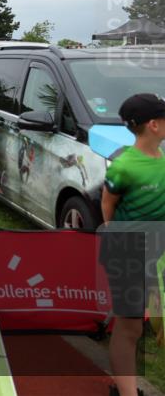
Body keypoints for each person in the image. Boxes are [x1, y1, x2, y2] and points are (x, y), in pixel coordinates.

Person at [100, 93, 165, 396]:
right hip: (129, 251)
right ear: (153, 124)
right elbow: (107, 206)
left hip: (157, 249)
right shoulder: (124, 165)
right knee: (130, 327)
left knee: (148, 324)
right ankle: (126, 393)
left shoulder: (161, 156)